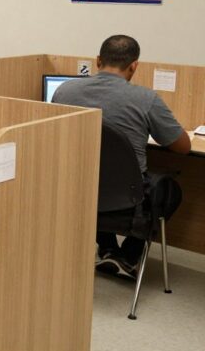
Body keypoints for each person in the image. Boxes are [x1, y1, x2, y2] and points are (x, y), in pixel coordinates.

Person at [52, 34, 190, 278]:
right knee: (171, 191)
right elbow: (182, 147)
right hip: (127, 198)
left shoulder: (64, 91)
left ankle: (107, 248)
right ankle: (129, 255)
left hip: (74, 189)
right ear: (134, 65)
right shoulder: (145, 98)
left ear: (97, 61)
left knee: (96, 175)